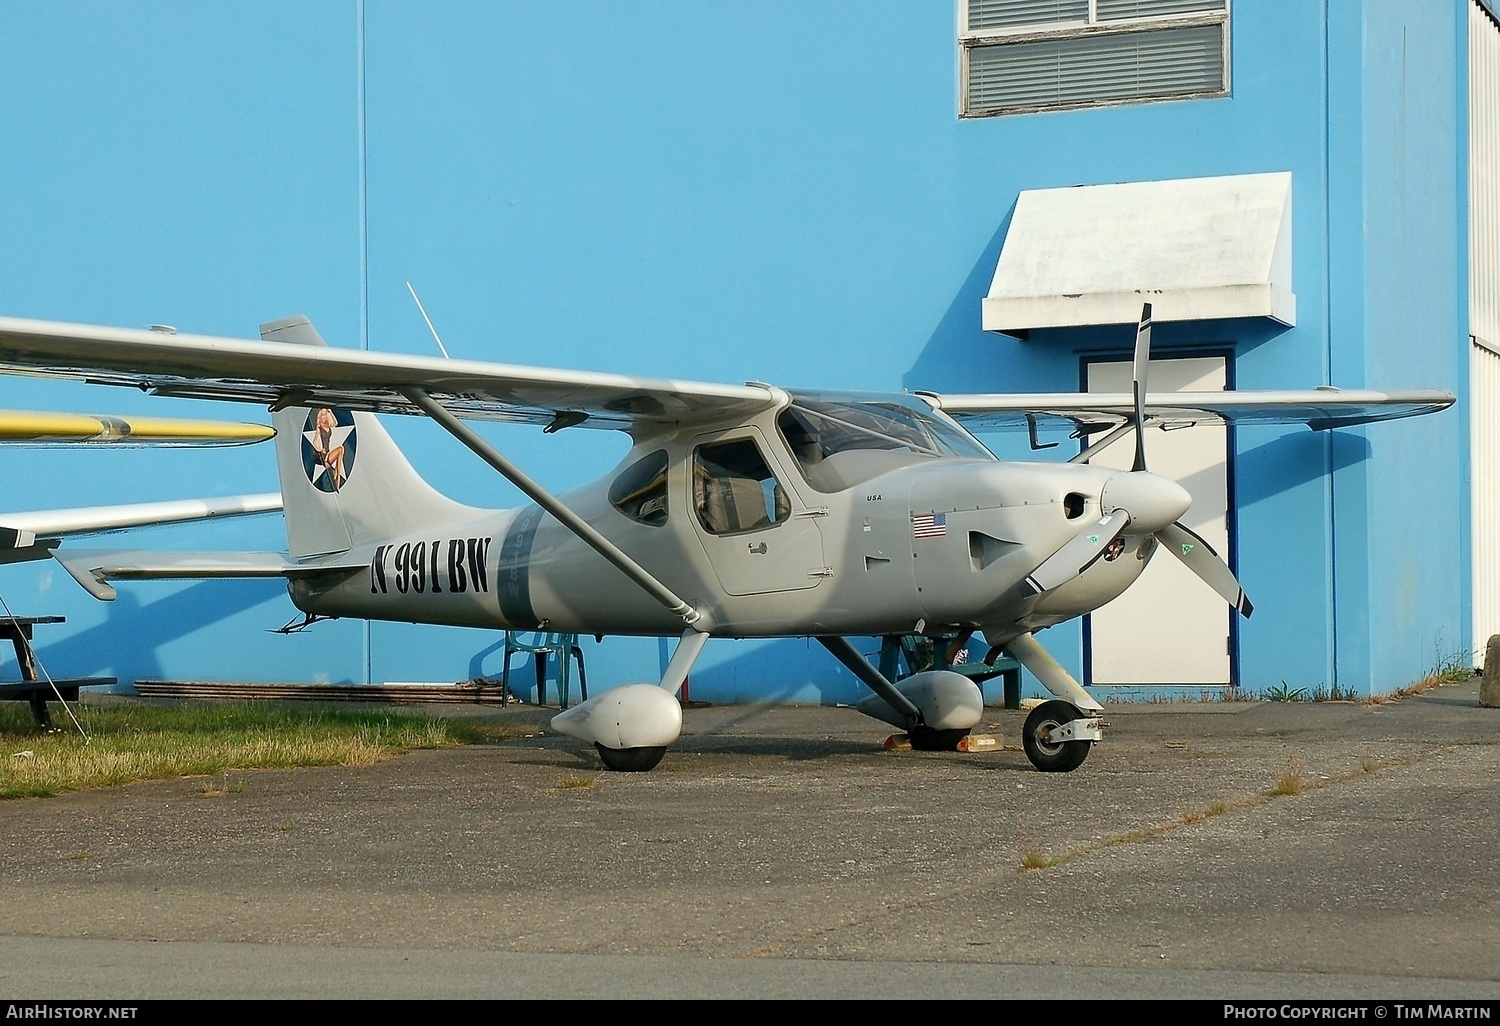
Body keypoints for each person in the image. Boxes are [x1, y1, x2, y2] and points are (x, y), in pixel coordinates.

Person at [310, 407, 346, 491]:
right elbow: (314, 441)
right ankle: (336, 479)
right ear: (320, 416)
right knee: (340, 449)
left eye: (326, 414)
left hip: (329, 453)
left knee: (340, 453)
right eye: (323, 414)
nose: (325, 416)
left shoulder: (328, 425)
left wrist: (330, 411)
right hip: (325, 456)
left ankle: (336, 477)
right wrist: (319, 449)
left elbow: (335, 423)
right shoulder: (320, 426)